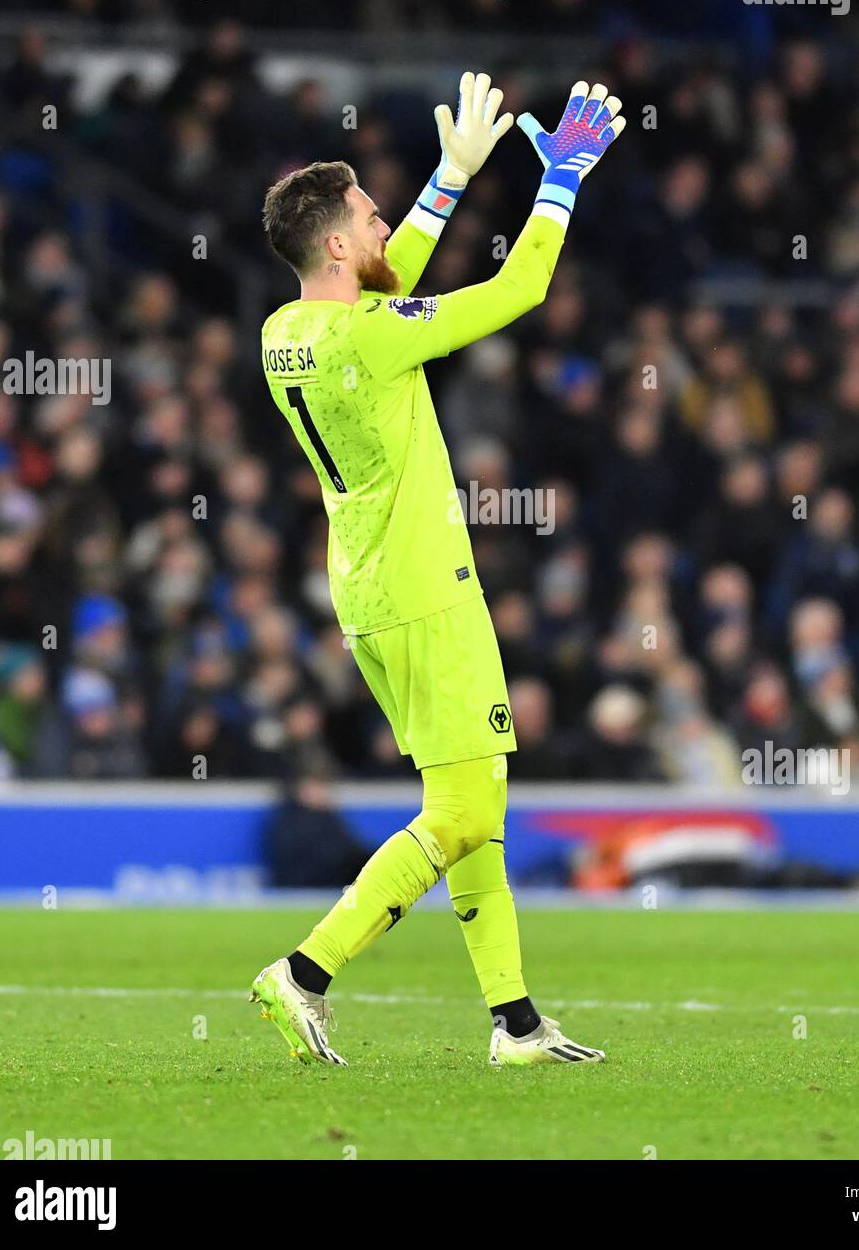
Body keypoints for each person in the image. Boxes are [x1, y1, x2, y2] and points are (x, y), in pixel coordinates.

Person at [250, 73, 624, 1067]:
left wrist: (451, 177)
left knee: (476, 801)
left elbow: (386, 283)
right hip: (422, 590)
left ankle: (515, 1023)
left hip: (368, 590)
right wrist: (562, 182)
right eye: (369, 216)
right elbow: (518, 289)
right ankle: (306, 969)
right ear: (336, 242)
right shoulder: (368, 336)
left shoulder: (286, 334)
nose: (383, 227)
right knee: (459, 810)